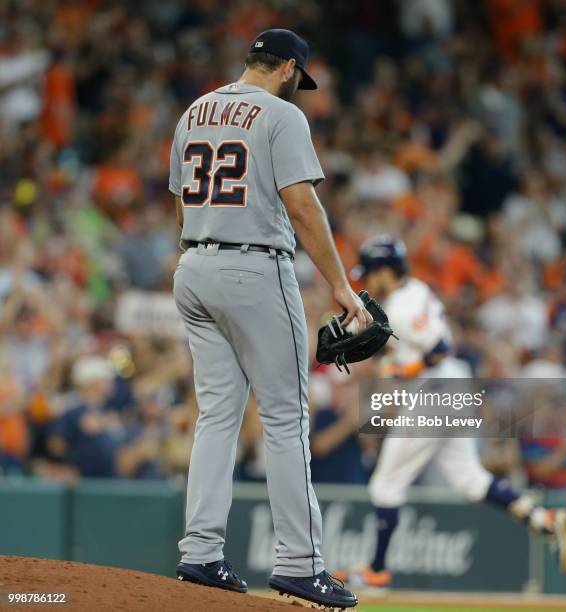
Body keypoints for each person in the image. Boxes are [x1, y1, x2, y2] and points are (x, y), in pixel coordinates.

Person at [169, 29, 367, 609]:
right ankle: (301, 565)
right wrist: (340, 287)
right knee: (285, 417)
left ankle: (201, 552)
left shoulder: (194, 110)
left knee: (217, 416)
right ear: (286, 69)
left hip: (195, 264)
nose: (298, 88)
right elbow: (302, 203)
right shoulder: (281, 114)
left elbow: (182, 200)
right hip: (254, 270)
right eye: (297, 78)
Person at [340, 235, 566, 588]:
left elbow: (441, 346)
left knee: (386, 485)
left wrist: (404, 370)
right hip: (451, 390)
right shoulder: (413, 290)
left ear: (385, 270)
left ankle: (376, 571)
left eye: (370, 272)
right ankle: (543, 519)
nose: (366, 280)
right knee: (470, 480)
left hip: (435, 393)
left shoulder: (402, 307)